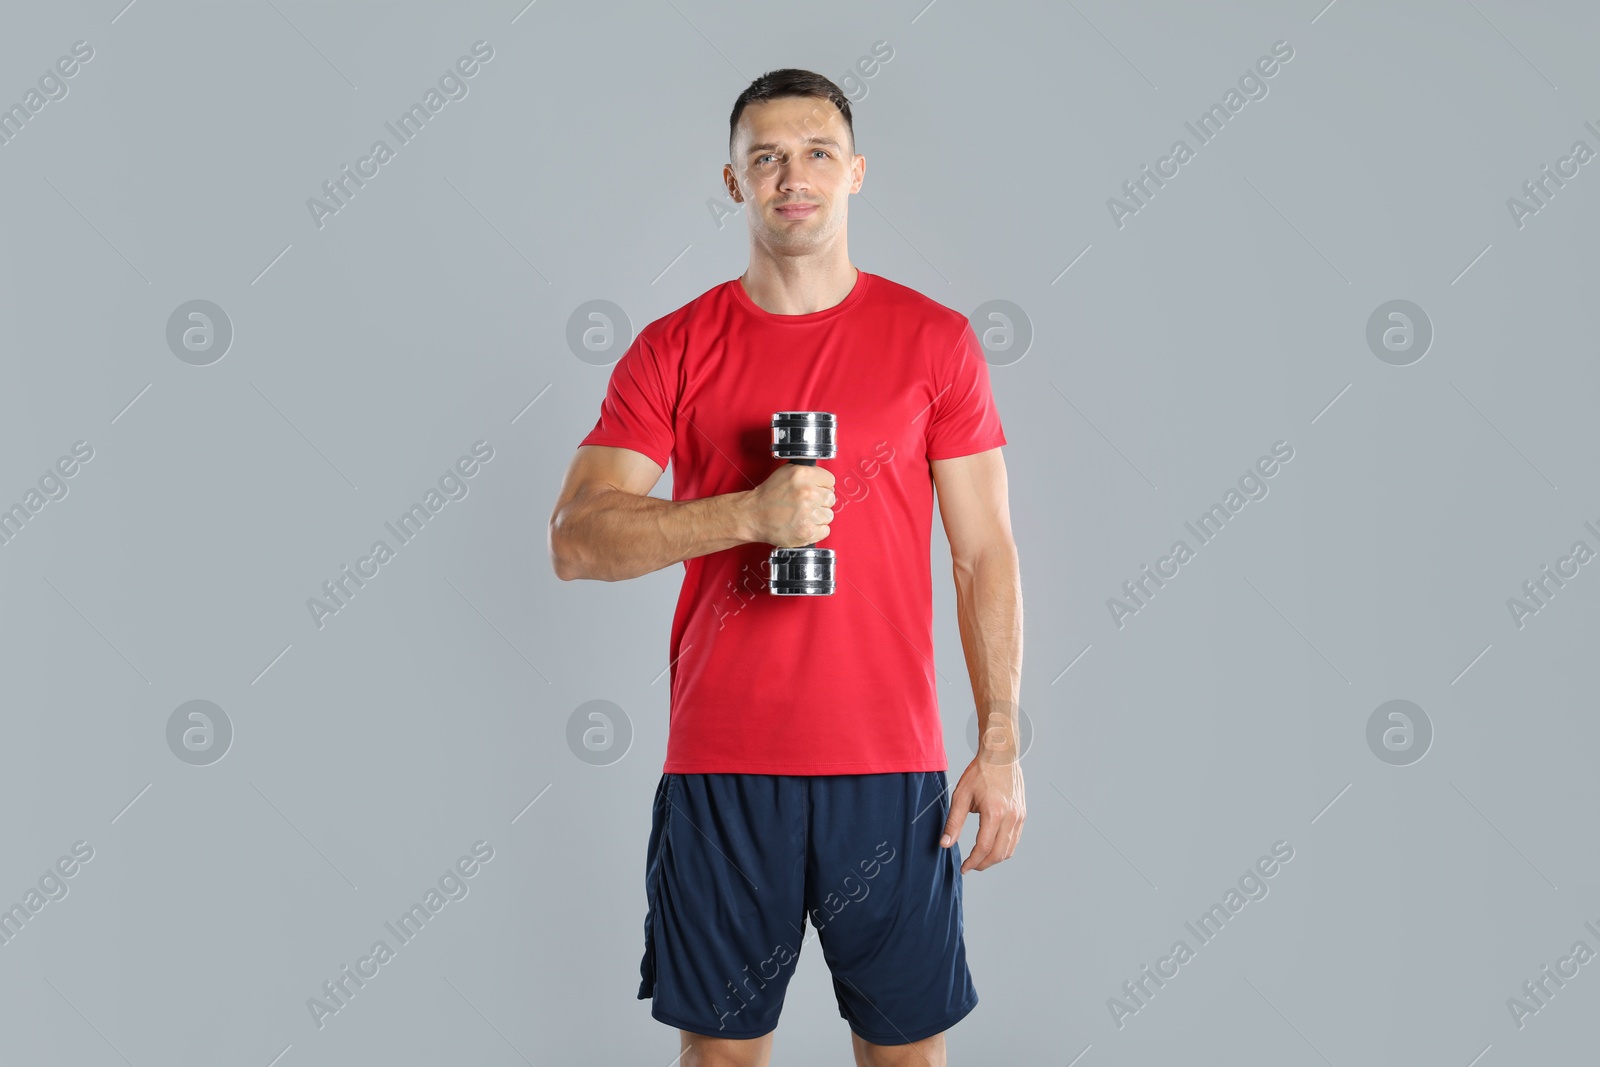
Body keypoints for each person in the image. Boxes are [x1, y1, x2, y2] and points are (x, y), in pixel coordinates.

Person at [548, 68, 1024, 1067]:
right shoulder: (673, 348)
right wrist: (746, 514)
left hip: (890, 768)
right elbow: (576, 539)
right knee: (721, 1055)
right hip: (722, 765)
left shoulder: (934, 342)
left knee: (904, 1054)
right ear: (733, 182)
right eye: (764, 156)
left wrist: (1000, 743)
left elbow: (983, 551)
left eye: (813, 153)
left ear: (853, 172)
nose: (790, 175)